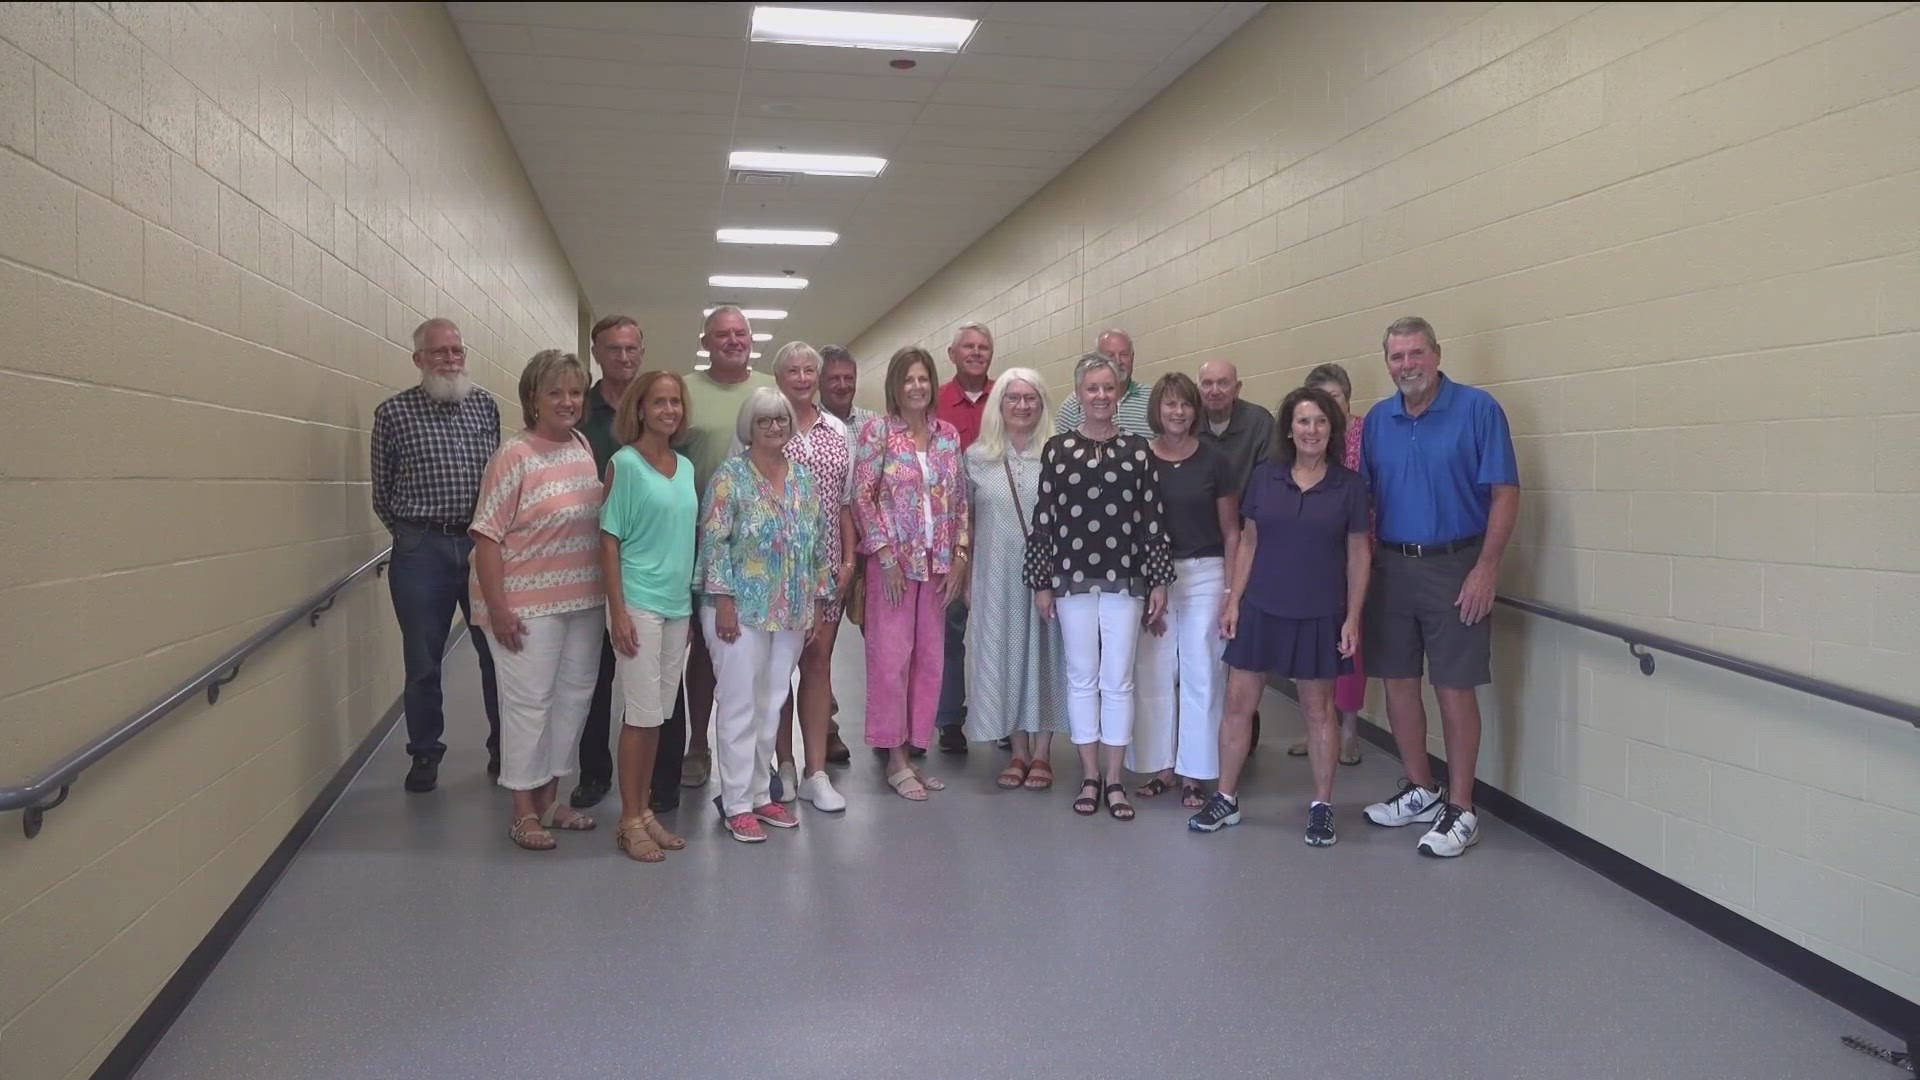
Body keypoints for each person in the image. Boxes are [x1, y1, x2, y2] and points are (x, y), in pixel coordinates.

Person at [1358, 316, 1519, 858]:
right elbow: (1364, 501)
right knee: (1399, 682)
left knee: (1453, 687)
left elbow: (1503, 493)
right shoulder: (1379, 421)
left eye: (1416, 354)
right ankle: (1422, 788)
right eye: (1397, 357)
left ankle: (1462, 807)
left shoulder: (1477, 410)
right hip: (1392, 566)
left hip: (1457, 566)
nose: (1407, 365)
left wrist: (1487, 567)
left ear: (1437, 354)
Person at [1189, 386, 1370, 846]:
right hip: (1261, 606)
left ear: (1332, 430)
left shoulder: (1349, 486)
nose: (1311, 430)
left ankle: (1323, 805)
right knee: (1237, 706)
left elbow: (1358, 554)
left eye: (1320, 422)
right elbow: (1248, 542)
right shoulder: (1266, 477)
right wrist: (1233, 601)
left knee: (1318, 712)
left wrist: (1352, 617)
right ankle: (1225, 798)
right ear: (1289, 428)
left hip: (1320, 612)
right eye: (1303, 421)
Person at [1025, 353, 1173, 821]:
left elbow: (1152, 520)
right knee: (1082, 678)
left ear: (1119, 392)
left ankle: (1115, 780)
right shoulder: (1058, 449)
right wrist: (1041, 583)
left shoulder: (1137, 450)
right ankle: (1088, 774)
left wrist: (1158, 581)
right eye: (1092, 388)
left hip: (1124, 581)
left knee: (1119, 680)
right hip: (1070, 580)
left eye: (1109, 388)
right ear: (1079, 395)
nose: (1101, 397)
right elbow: (1043, 518)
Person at [469, 350, 606, 850]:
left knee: (572, 702)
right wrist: (499, 607)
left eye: (574, 392)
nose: (567, 402)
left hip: (583, 601)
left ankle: (551, 798)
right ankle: (522, 811)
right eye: (555, 392)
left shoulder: (581, 444)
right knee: (529, 705)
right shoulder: (514, 455)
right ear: (533, 398)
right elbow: (486, 536)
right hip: (525, 606)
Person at [371, 317, 502, 794]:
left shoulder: (485, 408)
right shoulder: (393, 414)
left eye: (457, 351)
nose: (451, 360)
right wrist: (412, 536)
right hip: (420, 549)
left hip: (478, 544)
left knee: (494, 652)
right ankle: (424, 753)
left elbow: (497, 482)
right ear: (419, 360)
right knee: (423, 660)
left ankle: (503, 749)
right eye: (440, 352)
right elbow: (381, 492)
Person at [696, 388, 834, 843]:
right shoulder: (730, 477)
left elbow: (816, 548)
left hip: (791, 612)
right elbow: (714, 542)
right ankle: (734, 802)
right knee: (737, 703)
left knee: (770, 704)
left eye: (781, 419)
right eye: (764, 421)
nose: (775, 427)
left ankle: (759, 792)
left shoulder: (804, 480)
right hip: (738, 611)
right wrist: (724, 601)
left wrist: (816, 601)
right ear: (749, 428)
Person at [852, 346, 969, 800]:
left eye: (923, 379)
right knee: (891, 661)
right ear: (895, 388)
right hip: (895, 568)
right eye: (908, 380)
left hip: (937, 566)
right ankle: (894, 759)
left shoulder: (947, 436)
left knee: (929, 661)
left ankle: (915, 750)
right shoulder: (878, 433)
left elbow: (959, 501)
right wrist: (883, 555)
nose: (917, 387)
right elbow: (863, 497)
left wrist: (959, 555)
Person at [599, 370, 697, 862]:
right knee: (638, 716)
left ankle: (645, 813)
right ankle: (628, 820)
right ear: (639, 408)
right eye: (659, 402)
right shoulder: (626, 464)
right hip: (638, 603)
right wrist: (617, 611)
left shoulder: (685, 466)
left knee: (659, 714)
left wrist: (693, 610)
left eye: (675, 402)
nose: (669, 410)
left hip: (678, 606)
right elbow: (609, 539)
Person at [1130, 373, 1240, 809]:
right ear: (1156, 410)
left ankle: (1196, 772)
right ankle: (1162, 767)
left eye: (1185, 405)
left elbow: (1233, 532)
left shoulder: (1215, 460)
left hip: (1205, 573)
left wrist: (1232, 590)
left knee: (1202, 672)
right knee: (1154, 670)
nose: (1177, 412)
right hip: (1152, 577)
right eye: (1169, 404)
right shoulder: (1139, 458)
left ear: (1195, 411)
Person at [676, 306, 774, 791]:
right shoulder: (686, 392)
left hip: (761, 550)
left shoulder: (769, 389)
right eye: (722, 334)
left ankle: (761, 751)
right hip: (699, 539)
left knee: (759, 650)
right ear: (706, 341)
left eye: (741, 334)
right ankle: (698, 744)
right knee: (702, 648)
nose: (733, 341)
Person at [963, 369, 1066, 791]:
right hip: (995, 574)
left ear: (1042, 405)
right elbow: (965, 522)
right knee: (1003, 655)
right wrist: (966, 576)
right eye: (1013, 398)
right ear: (999, 405)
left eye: (1031, 398)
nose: (1022, 406)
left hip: (1046, 575)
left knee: (1045, 655)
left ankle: (1042, 753)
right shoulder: (976, 457)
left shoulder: (1058, 455)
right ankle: (1018, 750)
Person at [768, 343, 856, 813]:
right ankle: (783, 765)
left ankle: (815, 772)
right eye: (792, 370)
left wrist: (848, 561)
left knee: (818, 660)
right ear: (778, 376)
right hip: (778, 569)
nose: (802, 377)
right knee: (781, 665)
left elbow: (844, 503)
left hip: (826, 568)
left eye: (809, 370)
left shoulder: (838, 430)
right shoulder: (765, 423)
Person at [571, 314, 645, 811]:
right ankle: (594, 772)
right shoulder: (580, 413)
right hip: (591, 558)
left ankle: (651, 776)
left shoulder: (654, 407)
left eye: (631, 348)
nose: (623, 356)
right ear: (597, 353)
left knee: (648, 675)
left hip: (647, 560)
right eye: (613, 349)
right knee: (593, 674)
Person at [1288, 361, 1368, 767]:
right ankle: (1318, 725)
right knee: (1311, 648)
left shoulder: (1364, 435)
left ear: (1348, 400)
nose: (1329, 411)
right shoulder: (1308, 441)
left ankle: (1349, 730)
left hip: (1352, 548)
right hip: (1312, 556)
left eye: (1336, 399)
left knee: (1348, 644)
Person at [934, 323, 995, 754]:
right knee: (949, 631)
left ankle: (1003, 718)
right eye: (968, 347)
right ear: (952, 353)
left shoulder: (1007, 396)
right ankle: (950, 719)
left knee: (999, 630)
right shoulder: (935, 402)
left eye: (983, 348)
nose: (976, 353)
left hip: (999, 534)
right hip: (950, 536)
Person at [1053, 329, 1153, 436]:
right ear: (1098, 359)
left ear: (1132, 358)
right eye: (1110, 355)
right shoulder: (1071, 407)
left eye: (1123, 354)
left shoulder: (1152, 400)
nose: (1118, 361)